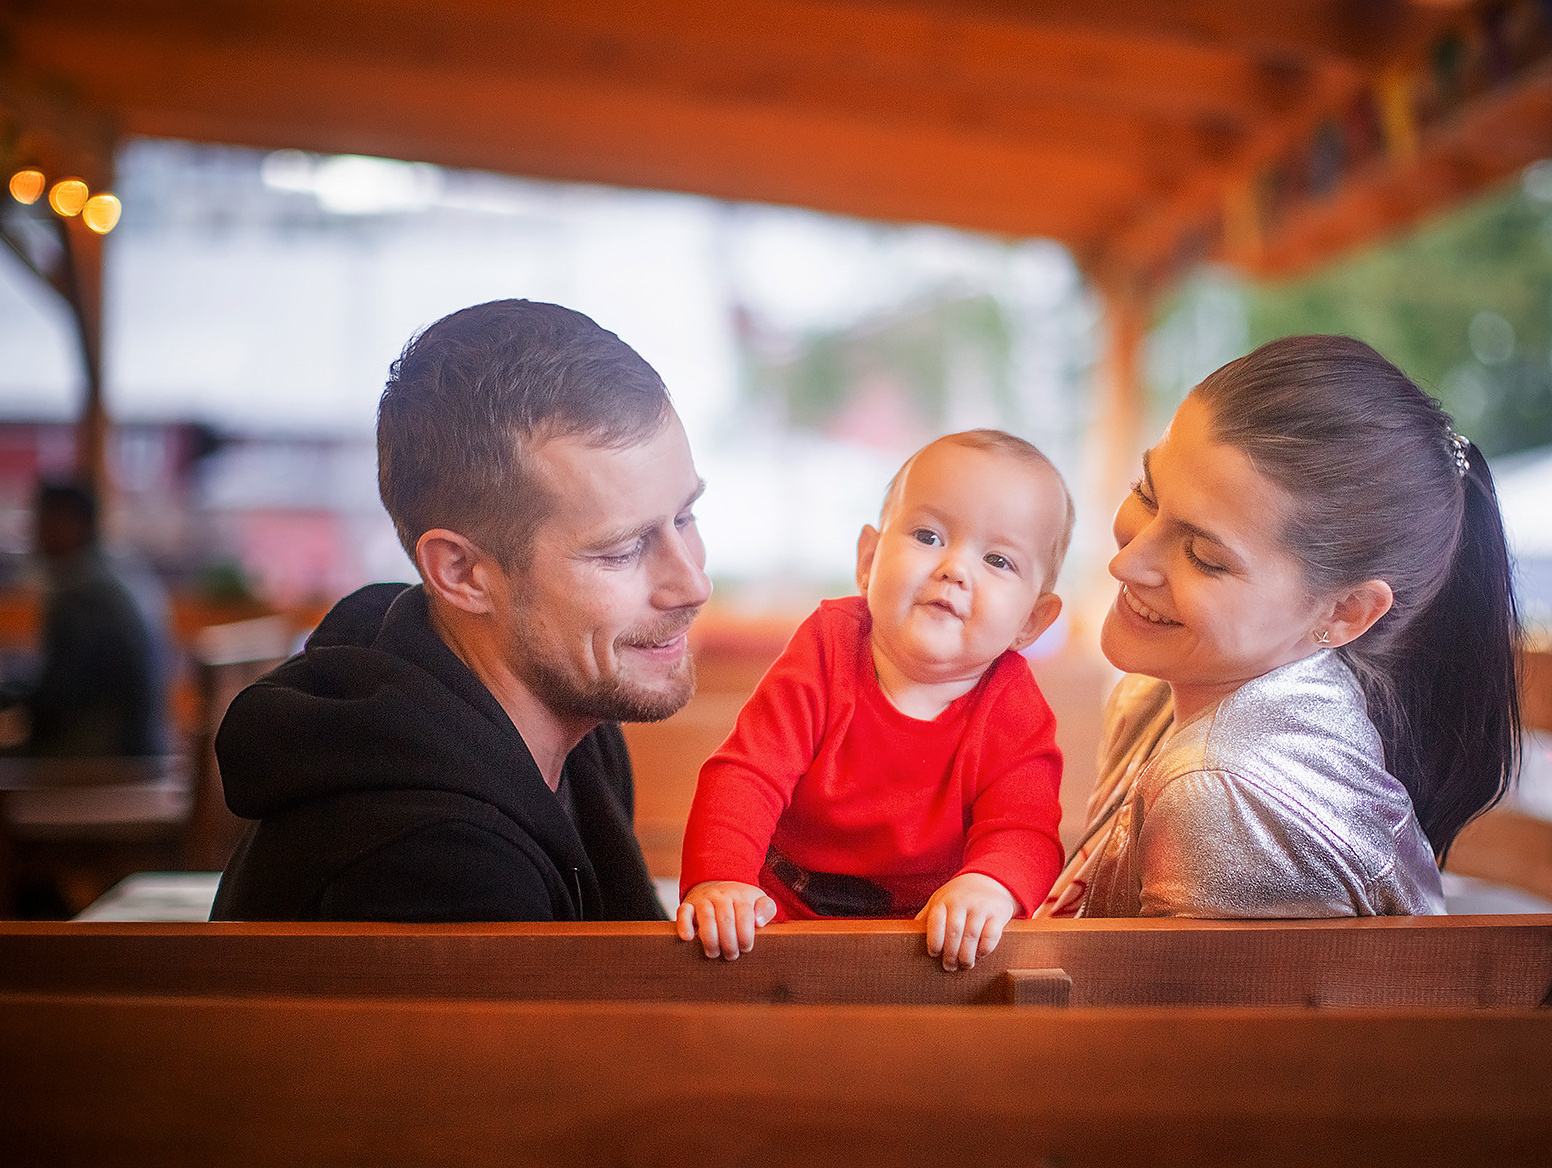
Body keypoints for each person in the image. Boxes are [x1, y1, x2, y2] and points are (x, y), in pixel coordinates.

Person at [210, 300, 710, 921]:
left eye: (684, 517)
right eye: (621, 551)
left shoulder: (581, 731)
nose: (691, 583)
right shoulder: (429, 865)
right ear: (462, 574)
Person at [1041, 334, 1518, 919]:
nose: (1126, 562)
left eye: (1203, 557)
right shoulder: (1164, 688)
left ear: (1344, 613)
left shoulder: (1224, 791)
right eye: (1147, 493)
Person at [678, 431, 1071, 969]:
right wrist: (723, 878)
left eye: (999, 560)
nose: (954, 568)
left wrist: (988, 885)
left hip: (929, 940)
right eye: (929, 536)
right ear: (868, 560)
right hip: (777, 918)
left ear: (1032, 620)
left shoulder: (1014, 709)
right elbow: (748, 774)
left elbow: (1024, 830)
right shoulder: (828, 647)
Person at [1, 480, 168, 759]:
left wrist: (10, 694)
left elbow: (57, 701)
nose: (34, 533)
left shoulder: (84, 596)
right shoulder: (115, 575)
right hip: (139, 750)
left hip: (110, 761)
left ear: (73, 524)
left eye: (43, 519)